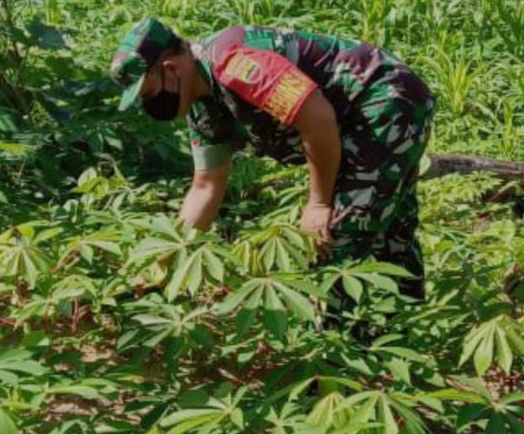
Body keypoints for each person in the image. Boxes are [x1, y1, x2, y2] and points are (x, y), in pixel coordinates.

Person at [110, 18, 434, 301]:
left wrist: (319, 203)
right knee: (390, 227)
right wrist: (161, 266)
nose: (149, 105)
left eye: (148, 93)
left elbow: (317, 117)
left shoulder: (234, 63)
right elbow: (205, 188)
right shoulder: (202, 107)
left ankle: (342, 343)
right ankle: (405, 319)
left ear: (171, 69)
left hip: (382, 98)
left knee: (337, 235)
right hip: (353, 120)